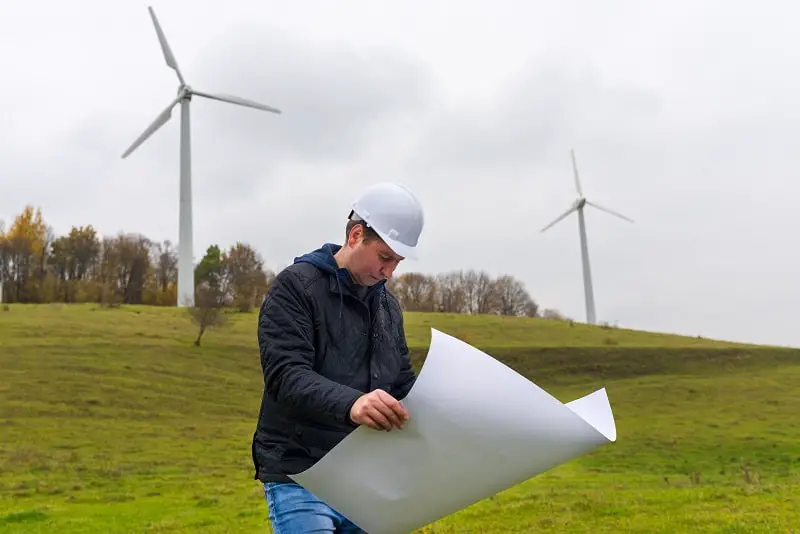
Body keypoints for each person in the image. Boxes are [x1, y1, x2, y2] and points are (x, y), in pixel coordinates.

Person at [252, 182, 425, 533]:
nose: (389, 272)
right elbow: (286, 375)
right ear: (355, 235)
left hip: (366, 473)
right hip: (301, 473)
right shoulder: (295, 288)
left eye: (397, 262)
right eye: (385, 257)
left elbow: (401, 381)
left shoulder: (388, 306)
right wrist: (354, 404)